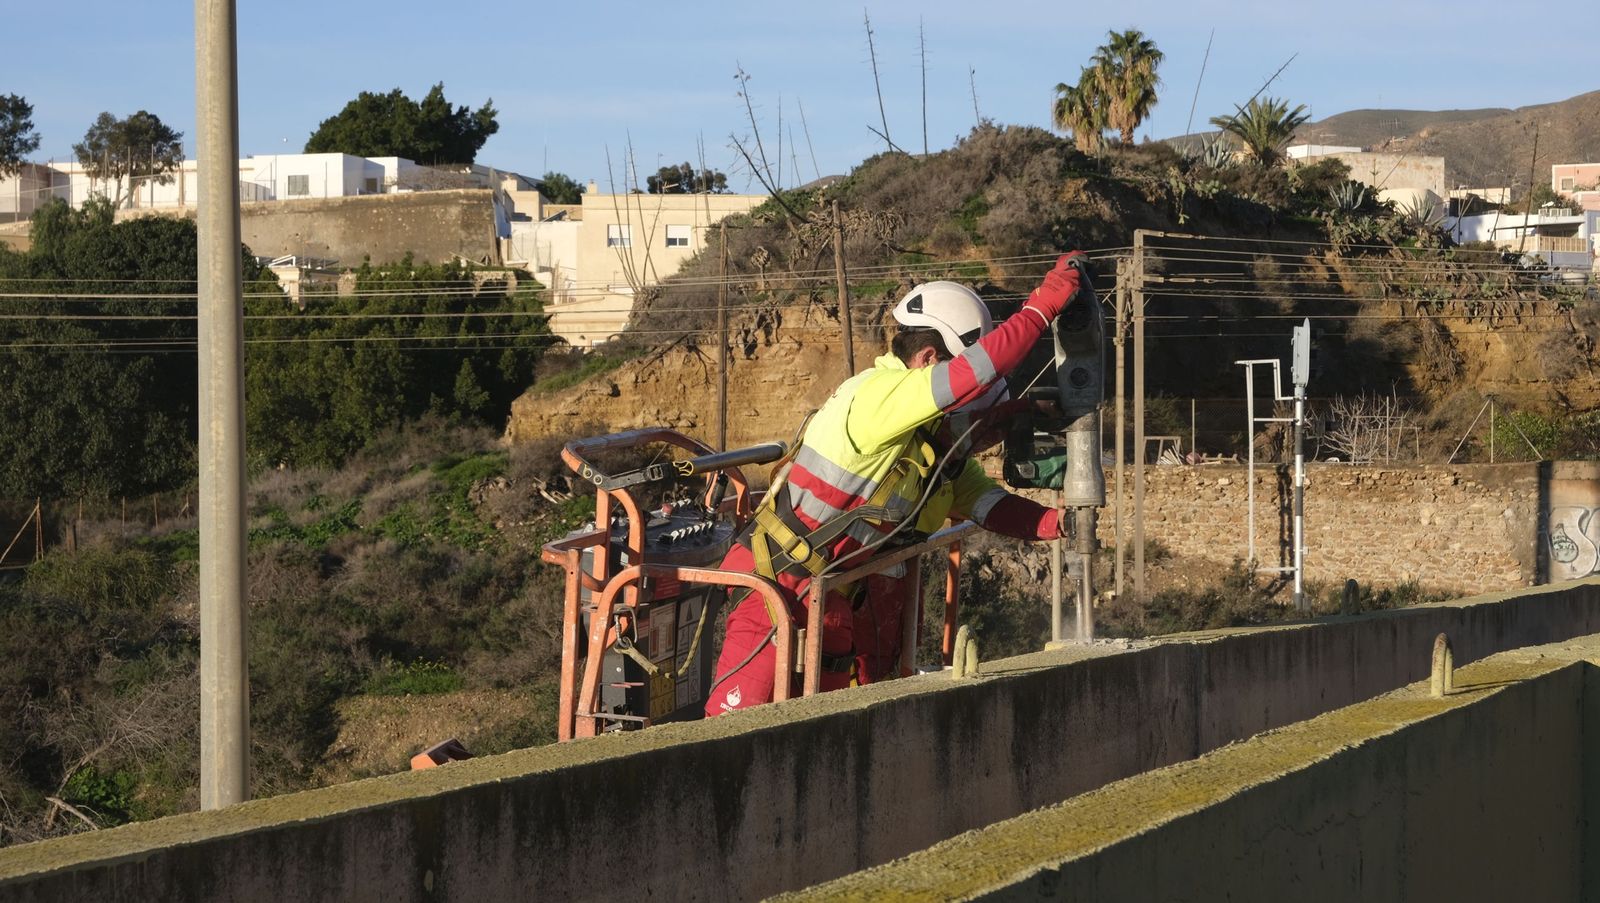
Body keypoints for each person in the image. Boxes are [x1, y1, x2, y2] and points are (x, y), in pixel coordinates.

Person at [704, 252, 1089, 716]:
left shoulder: (929, 451)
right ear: (927, 359)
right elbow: (972, 376)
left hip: (826, 600)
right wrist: (1042, 306)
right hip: (775, 589)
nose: (983, 440)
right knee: (735, 732)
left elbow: (991, 506)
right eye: (975, 420)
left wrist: (1063, 522)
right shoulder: (875, 395)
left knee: (817, 737)